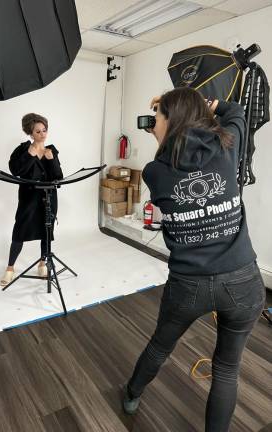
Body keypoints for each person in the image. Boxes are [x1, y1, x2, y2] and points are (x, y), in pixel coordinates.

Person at [123, 87, 266, 432]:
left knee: (160, 345)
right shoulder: (227, 147)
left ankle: (131, 395)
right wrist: (211, 105)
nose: (152, 122)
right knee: (227, 368)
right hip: (244, 283)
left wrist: (165, 133)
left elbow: (172, 160)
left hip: (189, 286)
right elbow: (237, 114)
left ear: (171, 121)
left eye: (157, 116)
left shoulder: (154, 172)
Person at [0, 113, 63, 286]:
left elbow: (58, 177)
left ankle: (43, 263)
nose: (43, 134)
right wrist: (29, 154)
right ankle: (10, 268)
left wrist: (52, 161)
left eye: (44, 130)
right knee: (20, 230)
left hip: (49, 197)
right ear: (30, 133)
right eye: (38, 131)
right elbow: (16, 171)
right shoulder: (22, 149)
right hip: (29, 198)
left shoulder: (51, 151)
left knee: (46, 230)